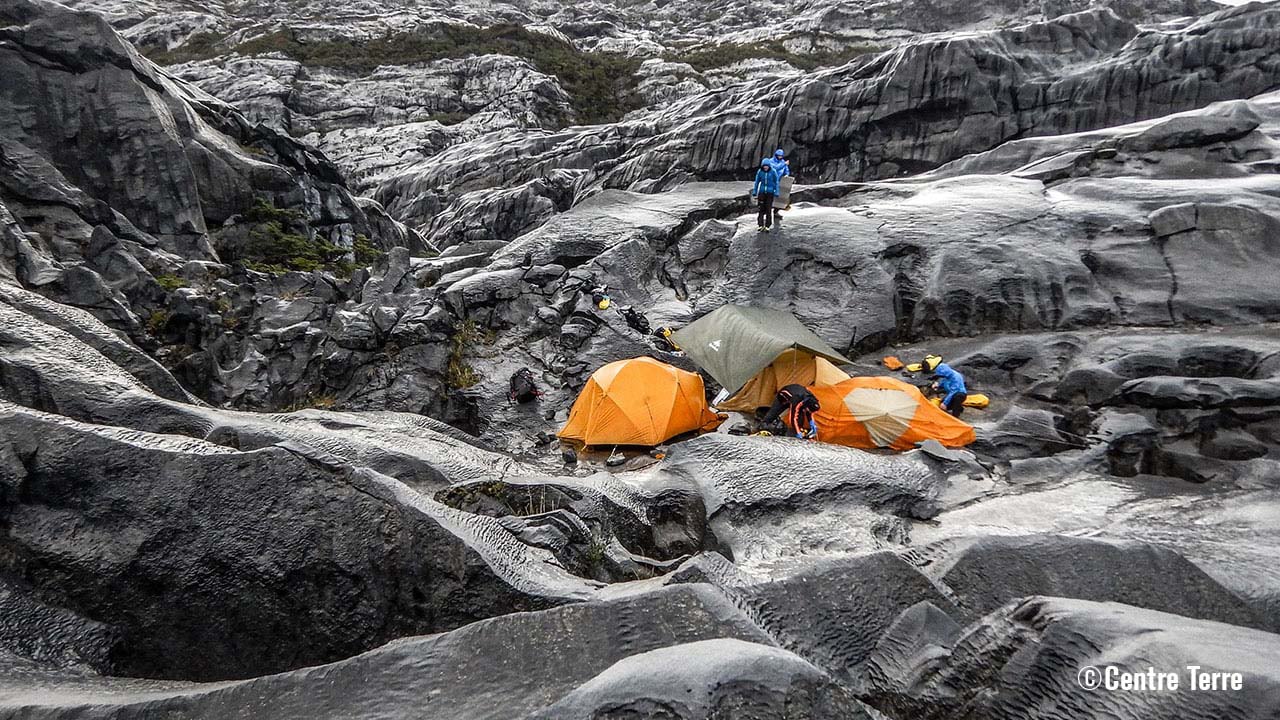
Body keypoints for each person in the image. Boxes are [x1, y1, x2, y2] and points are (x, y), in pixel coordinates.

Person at [751, 160, 780, 232]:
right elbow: (757, 182)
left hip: (770, 193)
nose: (765, 167)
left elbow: (776, 182)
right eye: (764, 166)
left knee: (768, 209)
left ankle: (767, 225)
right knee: (761, 209)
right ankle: (760, 225)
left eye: (767, 166)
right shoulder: (760, 172)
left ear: (769, 166)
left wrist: (776, 191)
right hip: (762, 192)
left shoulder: (773, 172)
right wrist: (755, 191)